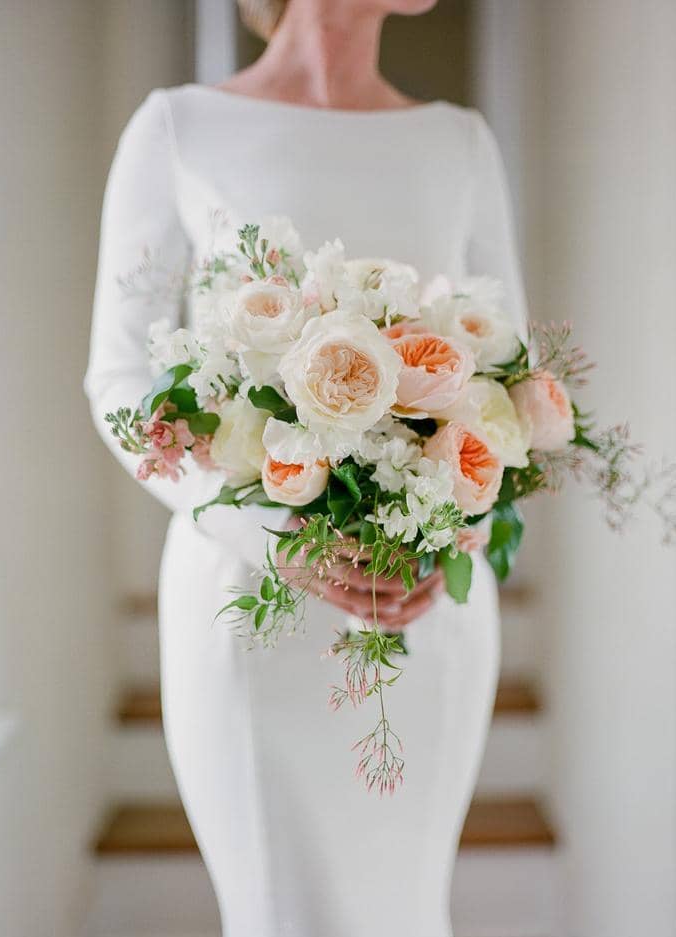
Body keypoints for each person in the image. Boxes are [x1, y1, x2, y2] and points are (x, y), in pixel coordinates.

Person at [85, 1, 527, 934]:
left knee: (407, 908)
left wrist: (459, 529)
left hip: (426, 610)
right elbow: (119, 381)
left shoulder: (459, 143)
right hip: (251, 604)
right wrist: (271, 535)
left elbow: (511, 389)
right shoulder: (180, 128)